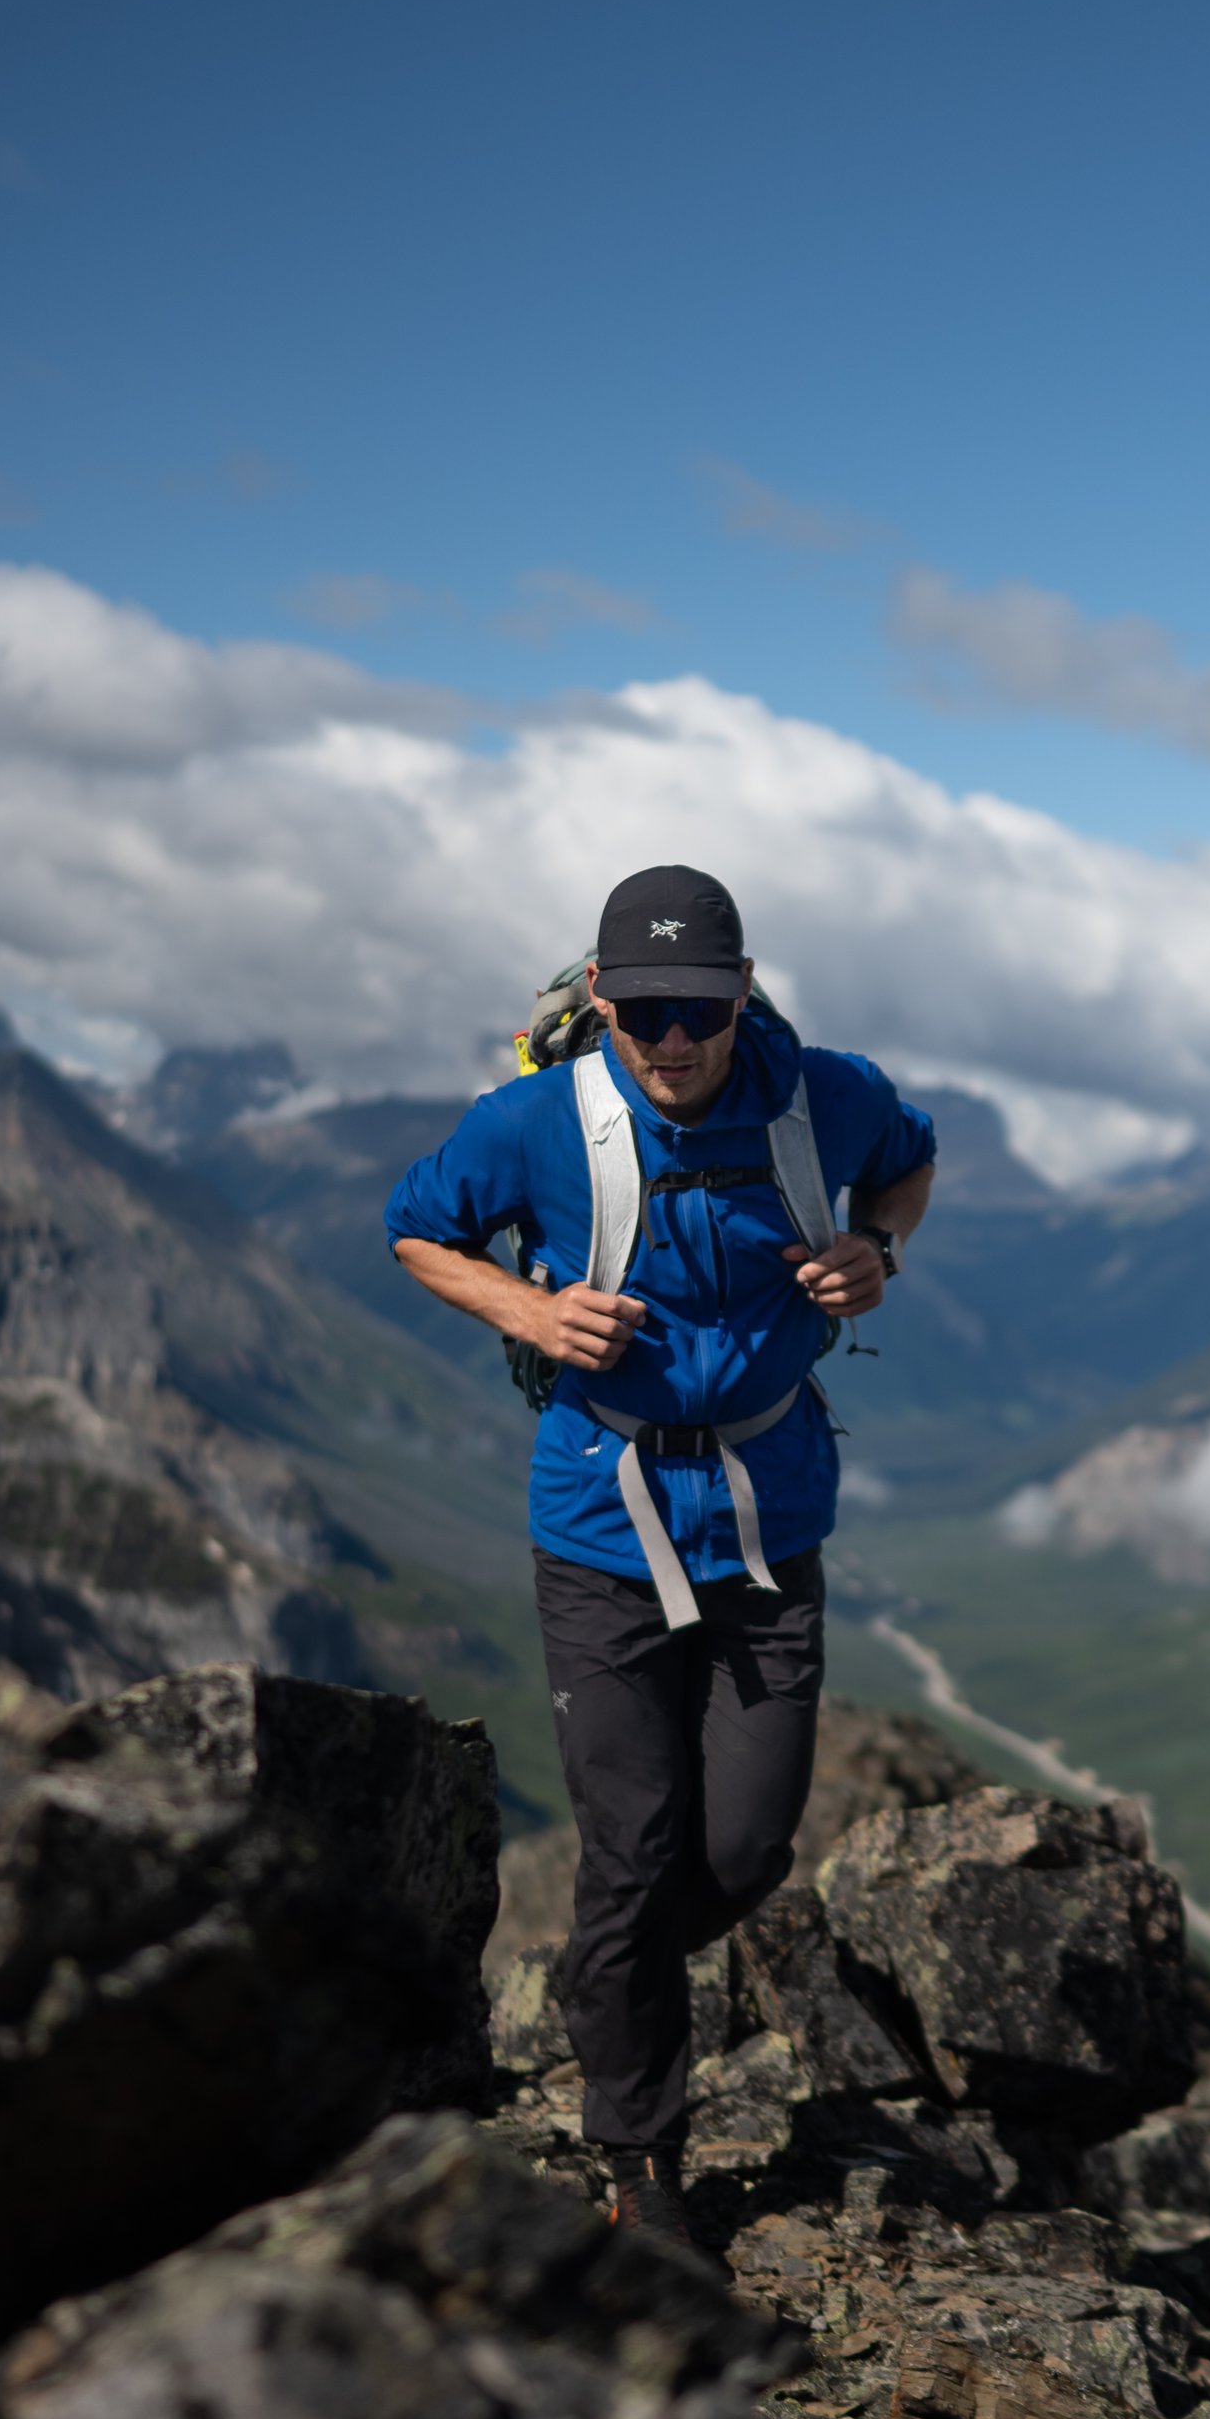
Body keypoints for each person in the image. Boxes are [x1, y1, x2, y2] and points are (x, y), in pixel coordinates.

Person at [385, 863, 936, 2251]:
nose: (672, 1038)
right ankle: (641, 2165)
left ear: (744, 995)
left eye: (698, 1007)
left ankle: (603, 1974)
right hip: (598, 1521)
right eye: (641, 1010)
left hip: (766, 1516)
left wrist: (878, 1246)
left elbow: (912, 1160)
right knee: (632, 1850)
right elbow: (413, 1224)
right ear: (606, 1004)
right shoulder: (537, 1123)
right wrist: (527, 1306)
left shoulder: (826, 1099)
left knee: (745, 1850)